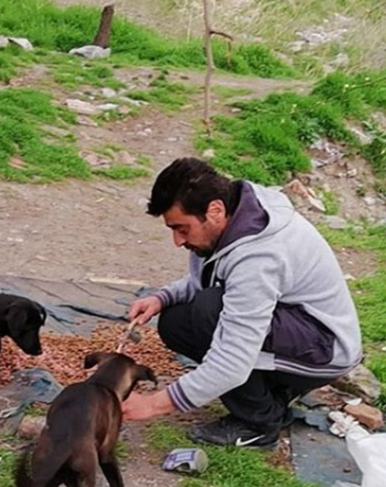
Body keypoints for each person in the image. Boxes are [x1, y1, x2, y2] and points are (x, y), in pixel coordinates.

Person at [121, 158, 362, 449]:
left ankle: (259, 424)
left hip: (325, 348)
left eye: (182, 229)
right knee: (175, 321)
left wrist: (156, 404)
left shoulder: (260, 257)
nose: (177, 241)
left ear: (215, 210)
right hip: (294, 328)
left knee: (210, 311)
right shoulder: (234, 215)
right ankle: (273, 394)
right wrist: (162, 298)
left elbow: (233, 360)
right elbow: (212, 278)